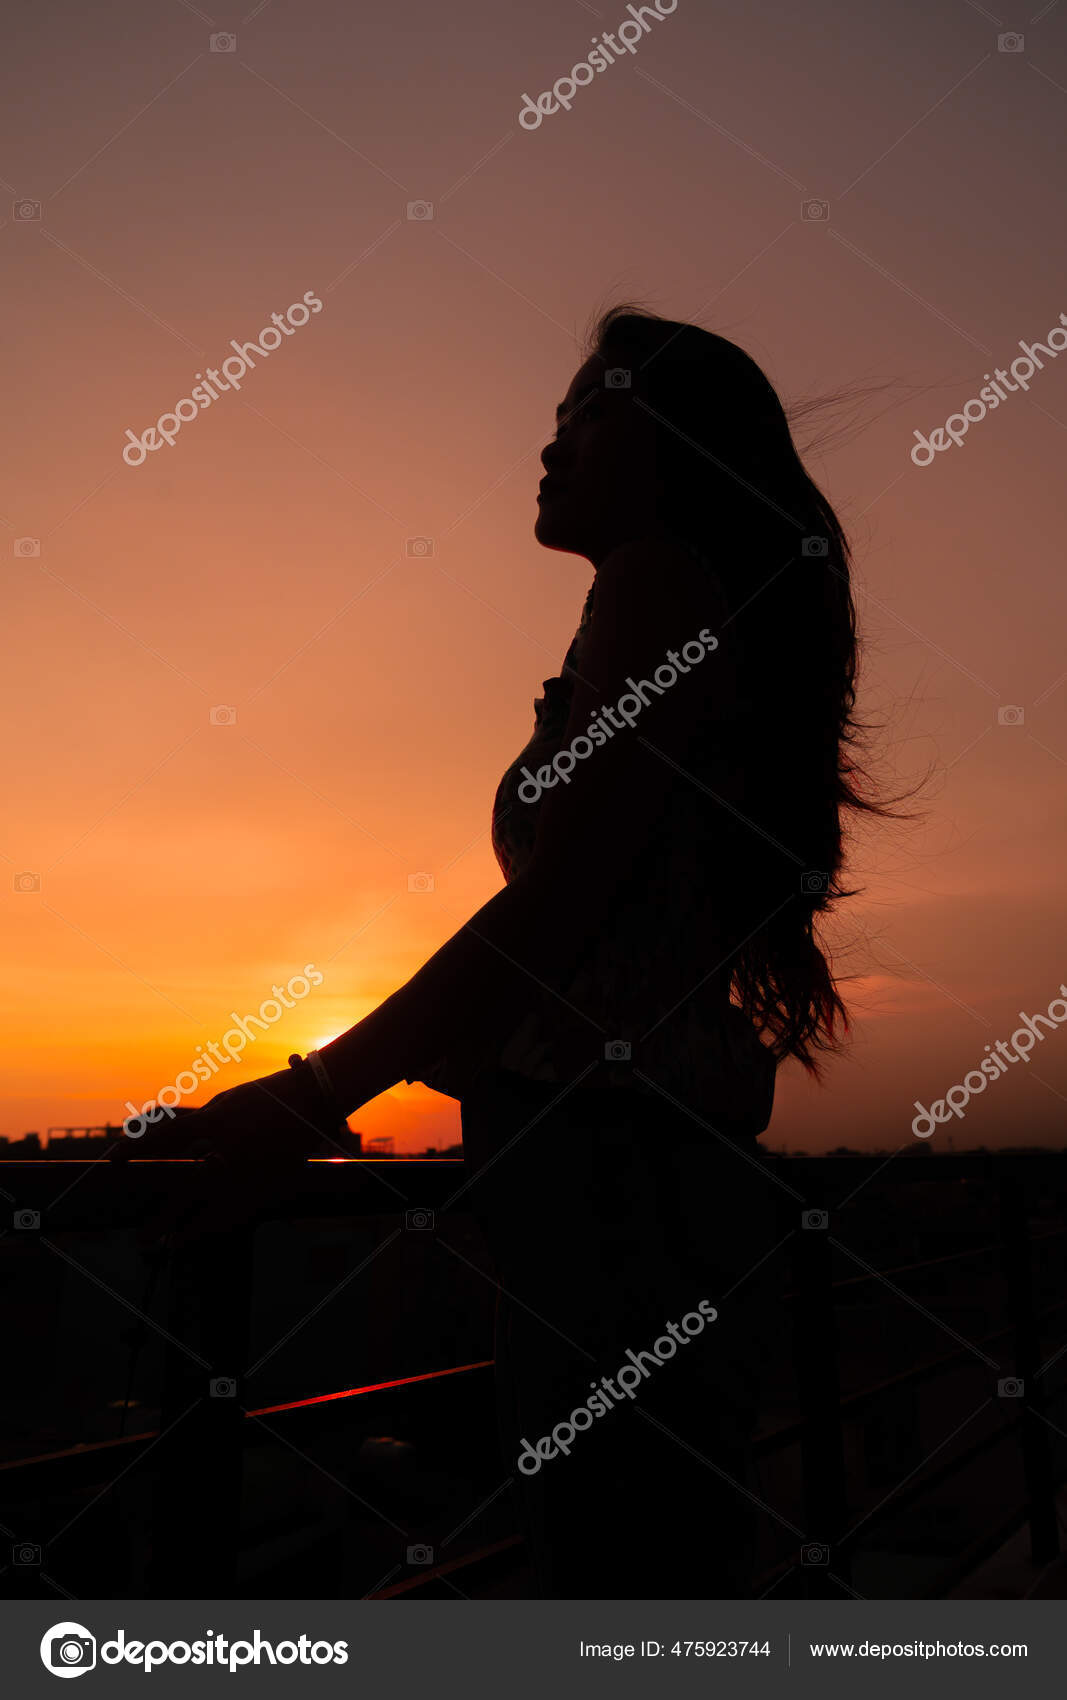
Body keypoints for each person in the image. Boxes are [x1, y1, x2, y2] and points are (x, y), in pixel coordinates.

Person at [119, 304, 882, 1596]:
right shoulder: (659, 605)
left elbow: (552, 913)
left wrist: (313, 1095)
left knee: (626, 1581)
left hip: (612, 1204)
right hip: (622, 1193)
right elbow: (608, 933)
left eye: (587, 409)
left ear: (670, 439)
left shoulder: (660, 584)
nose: (550, 444)